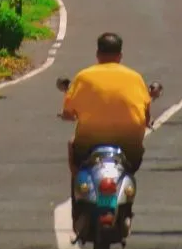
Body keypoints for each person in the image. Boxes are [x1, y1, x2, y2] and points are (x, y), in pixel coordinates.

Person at [59, 32, 152, 179]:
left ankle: (79, 184)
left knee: (72, 143)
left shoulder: (83, 77)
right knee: (132, 163)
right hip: (129, 144)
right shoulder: (135, 78)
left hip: (89, 143)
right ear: (120, 55)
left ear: (97, 54)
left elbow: (68, 112)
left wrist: (68, 115)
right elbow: (146, 112)